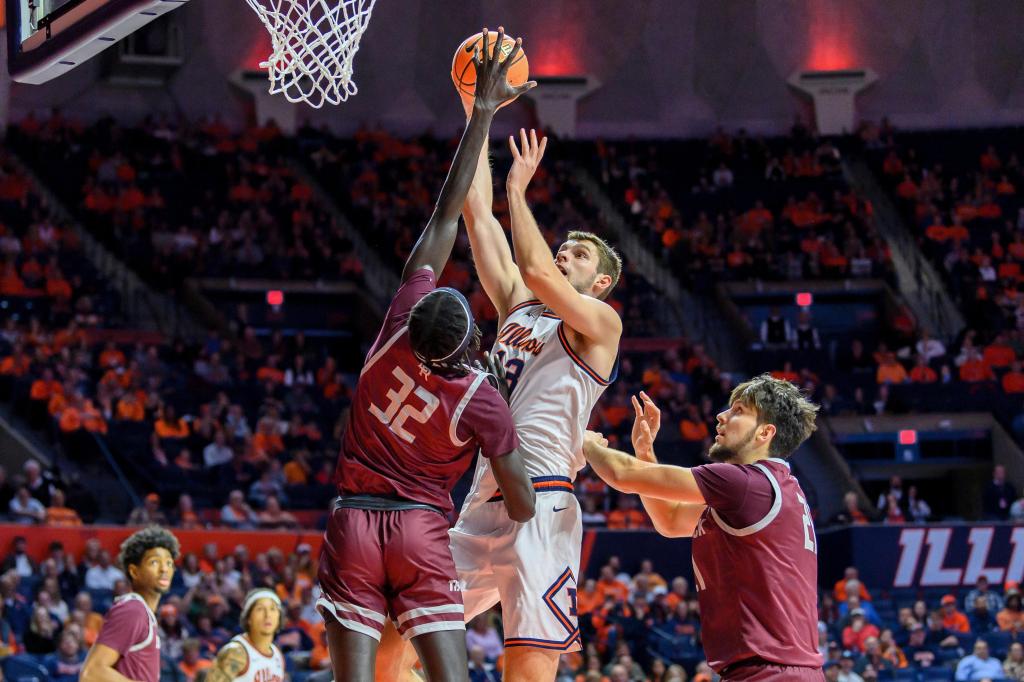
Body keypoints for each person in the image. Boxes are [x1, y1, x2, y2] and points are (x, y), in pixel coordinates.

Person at [316, 28, 536, 682]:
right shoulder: (483, 399)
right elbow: (521, 504)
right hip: (420, 532)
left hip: (353, 526)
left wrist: (482, 113)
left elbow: (443, 217)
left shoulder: (394, 328)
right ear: (470, 344)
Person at [438, 124, 623, 679]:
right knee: (406, 620)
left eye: (580, 254)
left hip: (543, 499)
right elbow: (476, 214)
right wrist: (479, 112)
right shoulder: (517, 305)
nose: (566, 254)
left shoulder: (601, 325)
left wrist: (519, 191)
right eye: (564, 247)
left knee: (527, 665)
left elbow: (539, 271)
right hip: (482, 494)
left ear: (603, 282)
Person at [581, 376, 823, 680]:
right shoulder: (769, 487)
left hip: (770, 672)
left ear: (765, 432)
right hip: (774, 670)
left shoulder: (745, 484)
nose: (722, 416)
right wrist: (645, 453)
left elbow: (621, 473)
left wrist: (584, 440)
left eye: (738, 411)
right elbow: (670, 521)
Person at [81, 526, 179, 682]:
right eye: (154, 562)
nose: (164, 569)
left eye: (169, 563)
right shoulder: (132, 610)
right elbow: (93, 672)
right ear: (134, 571)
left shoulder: (143, 612)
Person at [204, 588, 285, 682]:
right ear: (248, 618)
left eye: (273, 609)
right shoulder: (235, 652)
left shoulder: (277, 655)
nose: (268, 615)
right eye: (260, 609)